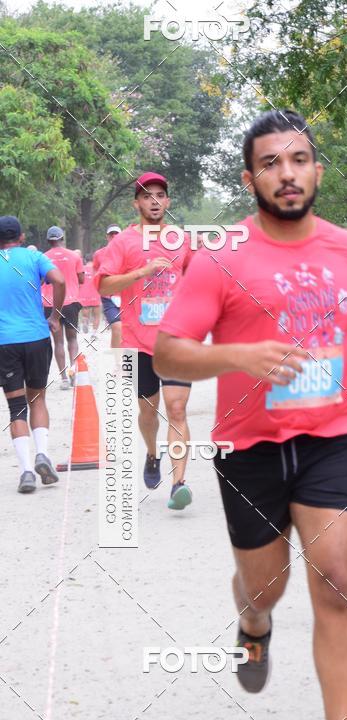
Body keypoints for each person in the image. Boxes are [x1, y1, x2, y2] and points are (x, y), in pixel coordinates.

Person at [154, 109, 347, 720]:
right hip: (250, 448)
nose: (287, 173)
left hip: (329, 438)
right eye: (271, 163)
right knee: (268, 585)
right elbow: (168, 348)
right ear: (250, 178)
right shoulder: (221, 257)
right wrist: (242, 354)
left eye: (297, 159)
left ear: (316, 169)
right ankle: (252, 621)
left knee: (337, 577)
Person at [95, 173, 195, 510]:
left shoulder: (182, 240)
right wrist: (140, 272)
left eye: (160, 195)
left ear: (168, 202)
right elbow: (104, 287)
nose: (154, 200)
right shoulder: (122, 243)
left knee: (177, 409)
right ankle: (152, 454)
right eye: (147, 196)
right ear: (136, 203)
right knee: (148, 413)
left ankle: (178, 482)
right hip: (139, 342)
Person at [0, 216, 66, 492]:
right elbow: (59, 280)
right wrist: (55, 315)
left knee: (16, 407)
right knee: (38, 398)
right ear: (22, 236)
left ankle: (26, 471)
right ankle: (42, 454)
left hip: (5, 342)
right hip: (37, 337)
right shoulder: (35, 257)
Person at [41, 226, 84, 389]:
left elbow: (39, 281)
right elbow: (81, 279)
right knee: (72, 339)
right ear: (62, 238)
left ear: (48, 240)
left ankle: (64, 379)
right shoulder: (74, 256)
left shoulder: (42, 258)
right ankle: (74, 370)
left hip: (50, 304)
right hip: (71, 302)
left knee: (57, 342)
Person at [93, 225, 122, 349]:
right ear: (107, 237)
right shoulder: (99, 254)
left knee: (128, 332)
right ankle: (117, 363)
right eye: (111, 234)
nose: (114, 236)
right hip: (108, 297)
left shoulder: (129, 251)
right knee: (117, 327)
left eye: (117, 233)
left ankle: (129, 366)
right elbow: (96, 275)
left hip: (127, 295)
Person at [79, 253, 101, 337]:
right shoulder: (98, 270)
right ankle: (94, 333)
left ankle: (85, 320)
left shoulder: (81, 269)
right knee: (96, 316)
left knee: (85, 312)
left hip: (84, 294)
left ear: (85, 260)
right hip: (95, 293)